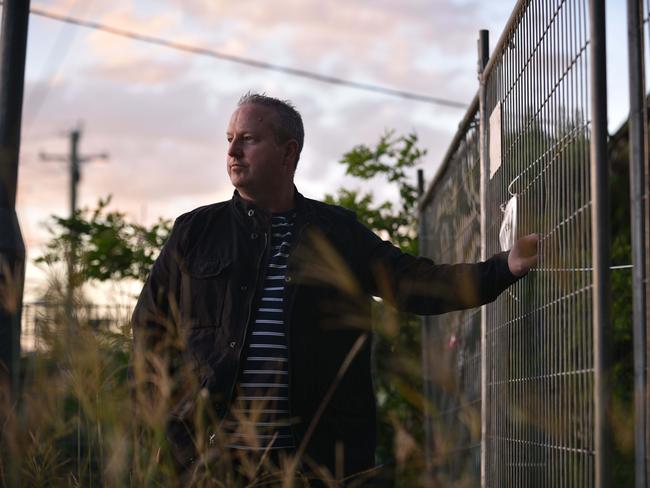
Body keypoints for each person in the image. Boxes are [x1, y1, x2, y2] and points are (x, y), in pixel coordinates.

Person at [131, 92, 539, 484]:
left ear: (288, 152)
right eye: (229, 140)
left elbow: (412, 282)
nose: (233, 151)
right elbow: (149, 328)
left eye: (249, 140)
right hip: (214, 466)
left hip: (315, 465)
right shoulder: (196, 231)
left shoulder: (335, 232)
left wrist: (504, 267)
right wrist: (176, 428)